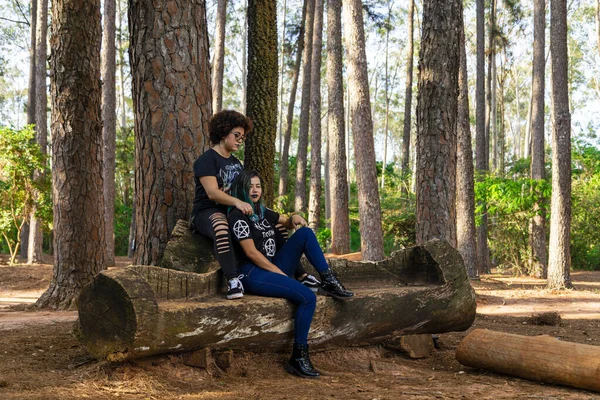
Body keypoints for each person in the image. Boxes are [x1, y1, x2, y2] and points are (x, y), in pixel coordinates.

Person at [227, 170, 353, 379]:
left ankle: (328, 279)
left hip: (272, 266)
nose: (255, 190)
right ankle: (298, 356)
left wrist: (293, 217)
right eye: (250, 186)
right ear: (242, 189)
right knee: (307, 297)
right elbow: (251, 254)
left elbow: (285, 221)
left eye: (258, 186)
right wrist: (281, 274)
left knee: (304, 233)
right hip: (252, 273)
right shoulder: (237, 216)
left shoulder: (261, 211)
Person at [191, 110, 254, 300]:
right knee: (220, 225)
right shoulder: (206, 160)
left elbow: (243, 192)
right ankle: (233, 280)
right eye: (236, 135)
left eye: (242, 137)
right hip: (206, 212)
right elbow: (212, 193)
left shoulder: (237, 164)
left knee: (267, 225)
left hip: (231, 211)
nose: (240, 140)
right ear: (223, 132)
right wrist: (237, 202)